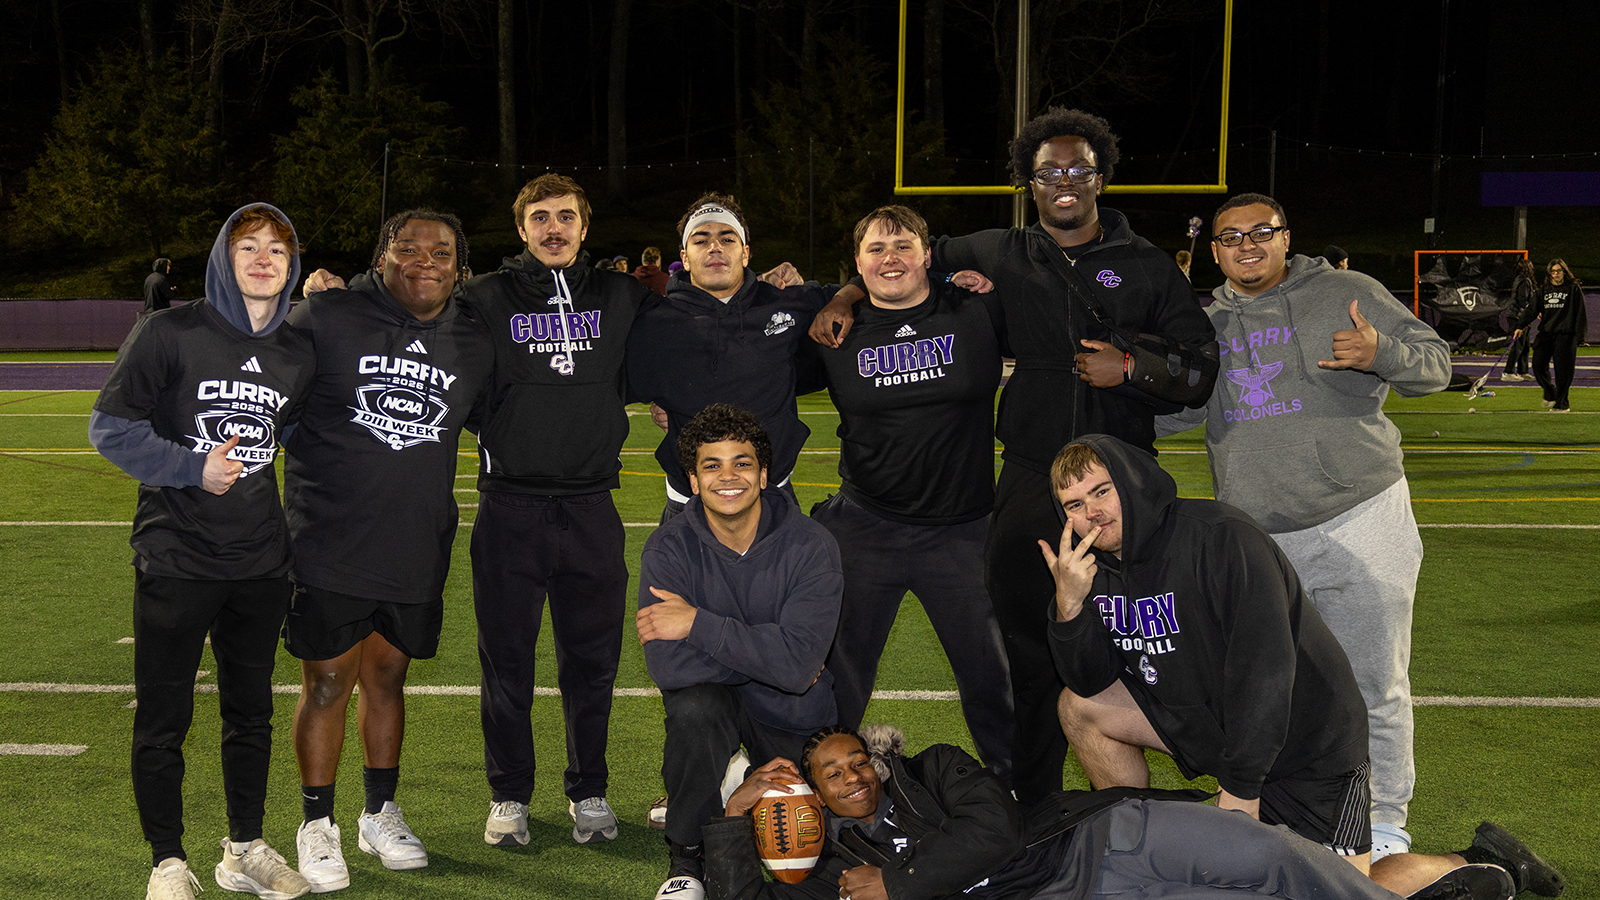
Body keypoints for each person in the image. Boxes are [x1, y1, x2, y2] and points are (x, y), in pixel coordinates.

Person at [809, 107, 1217, 804]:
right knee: (1026, 662)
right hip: (1030, 480)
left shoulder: (1147, 266)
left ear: (1101, 177)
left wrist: (1134, 365)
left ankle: (1181, 797)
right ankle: (1028, 812)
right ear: (1029, 182)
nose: (1064, 181)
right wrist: (847, 293)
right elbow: (908, 253)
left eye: (1078, 169)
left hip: (1123, 485)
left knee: (1146, 647)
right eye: (1048, 171)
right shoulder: (1003, 250)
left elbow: (1202, 367)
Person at [1156, 192, 1451, 860]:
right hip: (1260, 536)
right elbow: (1174, 416)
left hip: (1362, 511)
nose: (1247, 245)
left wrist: (1382, 351)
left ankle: (1384, 824)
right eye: (1232, 237)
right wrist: (1134, 377)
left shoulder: (1346, 289)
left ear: (1288, 237)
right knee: (1271, 689)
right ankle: (1300, 813)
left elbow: (1435, 365)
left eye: (1262, 232)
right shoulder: (1207, 324)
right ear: (1216, 251)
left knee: (1375, 681)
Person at [90, 204, 315, 900]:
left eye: (276, 251)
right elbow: (109, 427)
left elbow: (302, 437)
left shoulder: (297, 351)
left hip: (258, 561)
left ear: (291, 266)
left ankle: (243, 848)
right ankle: (166, 861)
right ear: (224, 255)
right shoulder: (170, 331)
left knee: (252, 711)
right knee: (165, 718)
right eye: (247, 246)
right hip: (176, 555)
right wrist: (193, 467)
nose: (261, 260)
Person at [702, 725, 1538, 900]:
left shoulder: (934, 768)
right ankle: (1473, 868)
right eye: (830, 775)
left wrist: (901, 883)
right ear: (809, 791)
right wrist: (739, 813)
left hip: (1102, 837)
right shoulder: (828, 859)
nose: (850, 778)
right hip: (1081, 896)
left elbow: (993, 830)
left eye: (857, 762)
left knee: (1281, 863)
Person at [281, 209, 493, 891]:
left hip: (414, 541)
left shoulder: (472, 336)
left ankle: (379, 811)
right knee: (326, 684)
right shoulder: (325, 317)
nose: (425, 261)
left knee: (388, 680)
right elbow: (262, 382)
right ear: (382, 258)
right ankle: (317, 822)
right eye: (408, 248)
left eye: (442, 251)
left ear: (460, 268)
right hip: (329, 540)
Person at [467, 173, 654, 850]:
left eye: (566, 217)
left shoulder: (620, 294)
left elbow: (696, 323)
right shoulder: (486, 296)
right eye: (540, 217)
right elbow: (419, 330)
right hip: (509, 507)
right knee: (506, 664)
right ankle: (510, 793)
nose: (553, 228)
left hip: (591, 509)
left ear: (584, 223)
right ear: (521, 229)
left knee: (593, 662)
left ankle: (589, 789)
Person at [808, 205, 1013, 782]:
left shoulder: (975, 306)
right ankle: (825, 795)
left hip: (964, 529)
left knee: (992, 677)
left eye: (902, 246)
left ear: (929, 255)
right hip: (866, 526)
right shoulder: (832, 326)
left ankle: (1016, 798)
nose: (889, 258)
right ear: (856, 263)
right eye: (875, 249)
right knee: (838, 676)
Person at [638, 404, 843, 900]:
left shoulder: (811, 544)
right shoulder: (668, 547)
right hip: (718, 699)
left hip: (791, 708)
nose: (727, 477)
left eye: (742, 463)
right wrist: (772, 648)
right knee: (694, 709)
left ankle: (739, 778)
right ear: (692, 479)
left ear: (764, 474)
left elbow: (797, 670)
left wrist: (696, 623)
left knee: (817, 849)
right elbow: (669, 666)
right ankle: (686, 856)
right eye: (712, 465)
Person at [626, 193, 833, 521]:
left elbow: (875, 290)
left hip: (773, 498)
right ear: (685, 256)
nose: (715, 247)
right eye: (701, 239)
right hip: (689, 506)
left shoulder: (789, 305)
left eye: (727, 238)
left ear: (746, 253)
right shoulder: (652, 322)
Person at [1516, 258, 1587, 412]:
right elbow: (1532, 310)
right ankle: (1550, 391)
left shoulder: (1573, 289)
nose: (1556, 274)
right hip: (1546, 333)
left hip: (1566, 335)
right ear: (1549, 274)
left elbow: (1580, 313)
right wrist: (1520, 325)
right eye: (1553, 271)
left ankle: (1562, 404)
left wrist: (1580, 336)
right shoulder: (1543, 290)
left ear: (1564, 272)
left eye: (1559, 271)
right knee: (1537, 365)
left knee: (1563, 372)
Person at [1500, 258, 1536, 382]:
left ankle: (1523, 371)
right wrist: (1531, 312)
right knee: (1518, 344)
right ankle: (1508, 372)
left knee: (1525, 344)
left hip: (1518, 315)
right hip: (1517, 316)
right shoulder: (1525, 281)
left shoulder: (1519, 279)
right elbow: (1522, 300)